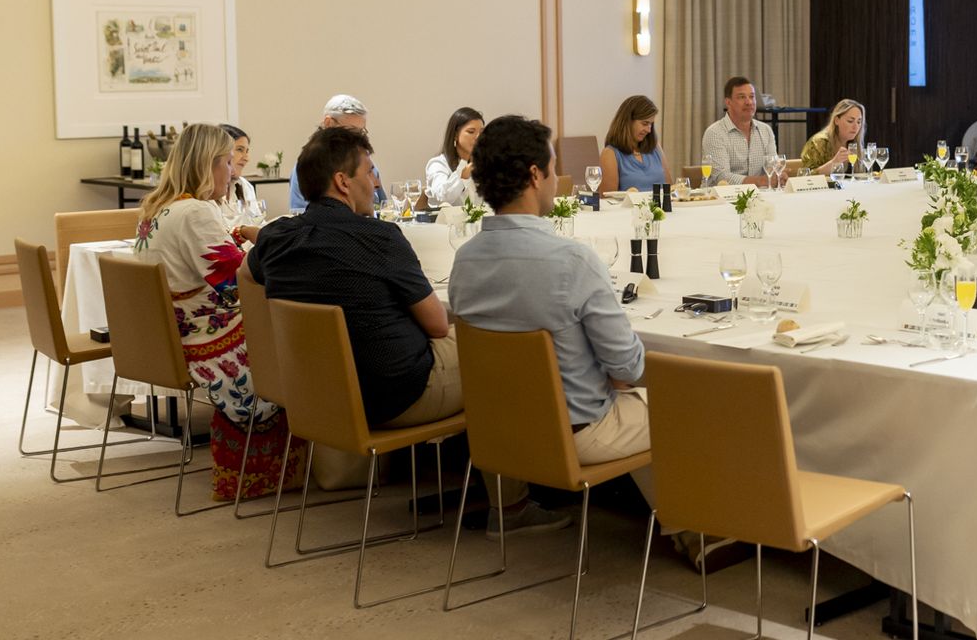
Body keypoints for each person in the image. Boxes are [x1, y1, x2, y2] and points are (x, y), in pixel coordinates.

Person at [246, 125, 564, 535]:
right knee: (504, 351)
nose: (375, 181)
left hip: (322, 397)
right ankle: (515, 504)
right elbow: (434, 324)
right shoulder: (378, 238)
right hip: (397, 395)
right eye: (370, 172)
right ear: (343, 182)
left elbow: (245, 274)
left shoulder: (277, 237)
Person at [449, 116, 711, 554]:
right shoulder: (571, 260)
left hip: (498, 431)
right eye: (553, 167)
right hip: (574, 434)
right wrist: (615, 378)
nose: (556, 179)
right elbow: (628, 366)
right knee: (693, 399)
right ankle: (702, 529)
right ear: (535, 174)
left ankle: (509, 510)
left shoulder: (465, 260)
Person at [133, 123, 295, 501]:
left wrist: (240, 234)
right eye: (226, 161)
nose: (233, 170)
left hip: (172, 335)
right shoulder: (195, 213)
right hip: (206, 338)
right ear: (208, 165)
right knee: (306, 333)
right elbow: (237, 282)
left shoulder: (156, 208)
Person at [286, 94, 383, 210]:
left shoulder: (368, 167)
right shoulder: (308, 169)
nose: (357, 138)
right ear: (328, 123)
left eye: (361, 132)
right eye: (351, 130)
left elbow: (383, 206)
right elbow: (300, 214)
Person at [699, 77, 772, 186]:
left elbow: (772, 166)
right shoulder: (715, 133)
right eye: (742, 97)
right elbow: (722, 177)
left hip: (758, 197)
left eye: (752, 97)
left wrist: (777, 176)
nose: (749, 102)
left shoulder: (765, 130)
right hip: (722, 199)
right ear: (728, 102)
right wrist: (760, 181)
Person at [599, 94, 670, 193]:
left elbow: (669, 189)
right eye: (644, 124)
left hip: (659, 208)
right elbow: (606, 200)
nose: (649, 130)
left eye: (651, 124)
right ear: (628, 122)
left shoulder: (655, 148)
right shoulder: (610, 154)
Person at [424, 107, 483, 207]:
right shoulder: (438, 164)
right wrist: (462, 177)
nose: (478, 137)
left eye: (481, 132)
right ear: (455, 135)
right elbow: (442, 196)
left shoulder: (481, 164)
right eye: (471, 132)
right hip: (444, 222)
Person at [217, 122, 262, 243]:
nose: (246, 158)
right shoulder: (208, 192)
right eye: (240, 150)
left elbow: (258, 222)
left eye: (247, 151)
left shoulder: (245, 186)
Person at [800, 99, 866, 177]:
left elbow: (861, 176)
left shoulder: (855, 144)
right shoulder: (819, 142)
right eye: (850, 121)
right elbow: (806, 176)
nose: (856, 127)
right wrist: (834, 162)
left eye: (859, 122)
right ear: (836, 120)